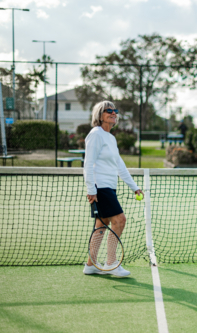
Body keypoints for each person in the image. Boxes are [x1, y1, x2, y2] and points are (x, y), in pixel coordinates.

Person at [82, 101, 143, 277]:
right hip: (100, 187)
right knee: (120, 220)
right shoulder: (96, 134)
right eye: (109, 110)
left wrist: (134, 187)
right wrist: (91, 189)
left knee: (102, 224)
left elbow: (119, 165)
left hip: (110, 186)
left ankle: (91, 264)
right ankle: (111, 263)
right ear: (99, 115)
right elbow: (88, 163)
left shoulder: (110, 137)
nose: (113, 113)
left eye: (115, 111)